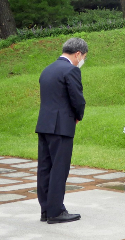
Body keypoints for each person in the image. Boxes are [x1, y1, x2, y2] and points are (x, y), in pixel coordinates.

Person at [35, 37, 88, 224]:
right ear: (78, 54)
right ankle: (56, 212)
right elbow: (77, 99)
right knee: (59, 169)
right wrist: (78, 115)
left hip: (44, 125)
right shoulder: (71, 69)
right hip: (61, 126)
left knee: (45, 168)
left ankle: (46, 210)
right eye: (84, 57)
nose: (82, 61)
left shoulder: (47, 69)